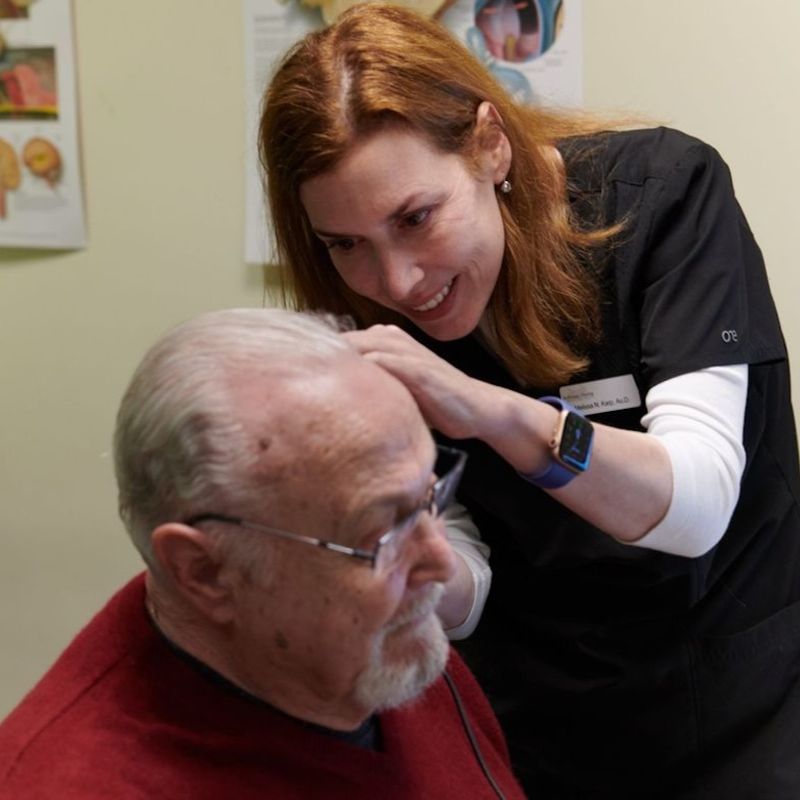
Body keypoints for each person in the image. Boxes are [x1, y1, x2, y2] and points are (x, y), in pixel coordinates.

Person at [258, 4, 800, 798]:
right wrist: (388, 568)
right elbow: (469, 584)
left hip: (727, 698)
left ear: (489, 144)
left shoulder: (661, 203)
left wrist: (489, 410)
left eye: (416, 218)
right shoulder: (365, 312)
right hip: (530, 714)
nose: (398, 281)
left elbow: (694, 505)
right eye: (346, 246)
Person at [0, 308, 526, 800]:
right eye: (381, 534)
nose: (439, 564)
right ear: (206, 572)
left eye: (428, 498)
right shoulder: (70, 782)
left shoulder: (388, 644)